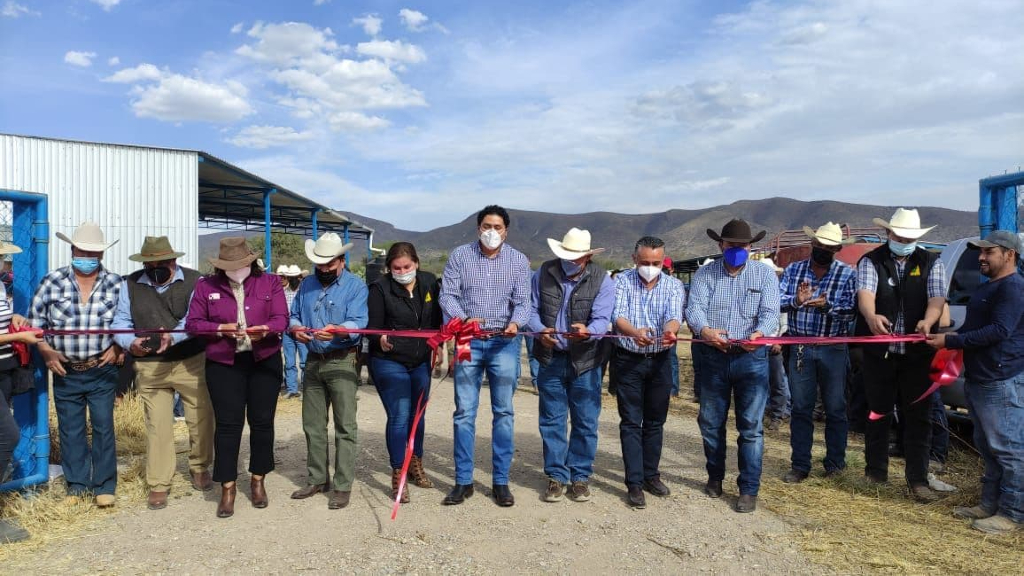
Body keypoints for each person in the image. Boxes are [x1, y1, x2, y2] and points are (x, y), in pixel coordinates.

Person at [927, 230, 1023, 534]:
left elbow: (999, 331)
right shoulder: (989, 288)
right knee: (987, 446)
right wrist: (947, 338)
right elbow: (975, 328)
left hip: (1000, 378)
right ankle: (989, 503)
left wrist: (951, 340)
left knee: (1007, 448)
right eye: (980, 252)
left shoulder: (1013, 288)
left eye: (988, 252)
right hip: (981, 378)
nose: (981, 257)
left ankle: (1012, 513)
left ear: (1009, 255)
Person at [185, 237, 288, 518]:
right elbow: (193, 324)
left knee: (262, 422)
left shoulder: (270, 282)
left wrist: (265, 329)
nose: (236, 269)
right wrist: (219, 328)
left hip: (263, 360)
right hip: (223, 363)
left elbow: (282, 318)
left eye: (241, 264)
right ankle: (227, 486)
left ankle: (258, 479)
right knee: (228, 425)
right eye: (230, 265)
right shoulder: (206, 286)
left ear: (250, 262)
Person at [110, 236, 214, 510]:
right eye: (149, 264)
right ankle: (158, 483)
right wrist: (130, 342)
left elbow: (195, 318)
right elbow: (120, 321)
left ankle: (200, 466)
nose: (154, 269)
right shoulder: (129, 284)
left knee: (199, 417)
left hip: (190, 360)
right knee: (157, 424)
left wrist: (173, 337)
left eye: (160, 264)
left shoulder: (196, 281)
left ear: (173, 261)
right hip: (150, 365)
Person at [439, 205, 531, 507]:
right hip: (469, 340)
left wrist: (516, 323)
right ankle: (463, 481)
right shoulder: (460, 256)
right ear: (478, 227)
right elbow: (448, 294)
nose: (492, 232)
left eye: (498, 227)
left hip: (503, 343)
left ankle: (500, 481)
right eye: (486, 226)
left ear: (506, 230)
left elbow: (523, 301)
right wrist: (463, 319)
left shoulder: (518, 261)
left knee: (503, 412)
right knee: (464, 412)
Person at [685, 219, 779, 513]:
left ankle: (749, 489)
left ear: (751, 247)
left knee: (750, 427)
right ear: (720, 245)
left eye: (742, 246)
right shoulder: (705, 274)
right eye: (731, 245)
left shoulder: (764, 275)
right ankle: (715, 477)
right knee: (711, 423)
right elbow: (694, 309)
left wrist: (761, 333)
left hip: (751, 358)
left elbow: (770, 312)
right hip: (713, 357)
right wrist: (704, 331)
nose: (737, 249)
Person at [28, 221, 123, 508]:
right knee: (71, 429)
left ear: (102, 255)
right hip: (65, 370)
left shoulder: (117, 284)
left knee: (104, 426)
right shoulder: (51, 282)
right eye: (83, 251)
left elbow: (126, 323)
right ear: (72, 250)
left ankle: (105, 485)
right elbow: (35, 323)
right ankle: (77, 485)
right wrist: (46, 351)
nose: (88, 258)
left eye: (94, 253)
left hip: (102, 369)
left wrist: (119, 346)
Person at [855, 208, 947, 503]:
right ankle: (875, 472)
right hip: (880, 354)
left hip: (918, 355)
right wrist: (871, 317)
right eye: (899, 236)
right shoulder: (872, 261)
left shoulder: (932, 262)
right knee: (877, 412)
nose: (904, 241)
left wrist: (929, 321)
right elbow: (866, 295)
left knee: (919, 417)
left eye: (909, 237)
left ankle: (917, 479)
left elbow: (936, 298)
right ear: (888, 234)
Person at [526, 228, 615, 503]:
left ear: (587, 257)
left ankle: (580, 476)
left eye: (575, 257)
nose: (569, 261)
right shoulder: (542, 274)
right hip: (550, 358)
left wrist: (589, 330)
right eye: (566, 256)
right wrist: (541, 329)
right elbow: (529, 309)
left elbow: (604, 317)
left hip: (586, 361)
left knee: (585, 420)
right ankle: (555, 476)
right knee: (551, 419)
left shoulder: (603, 280)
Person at [288, 233, 367, 510]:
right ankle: (317, 478)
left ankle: (343, 485)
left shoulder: (356, 287)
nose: (323, 270)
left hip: (342, 359)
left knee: (345, 426)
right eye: (318, 265)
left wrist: (339, 329)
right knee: (313, 424)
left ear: (341, 261)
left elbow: (358, 322)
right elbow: (294, 314)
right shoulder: (307, 284)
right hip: (312, 360)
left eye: (328, 264)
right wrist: (296, 329)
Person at [778, 223, 857, 483]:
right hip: (800, 346)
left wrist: (828, 307)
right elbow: (777, 301)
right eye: (819, 245)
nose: (823, 250)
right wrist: (797, 301)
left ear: (837, 249)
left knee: (835, 407)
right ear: (812, 244)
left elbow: (851, 312)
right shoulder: (794, 270)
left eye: (829, 247)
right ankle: (800, 464)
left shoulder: (847, 274)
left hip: (832, 346)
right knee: (801, 407)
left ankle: (835, 464)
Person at [611, 236, 685, 509]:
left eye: (656, 263)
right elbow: (617, 315)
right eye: (645, 262)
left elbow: (674, 314)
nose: (650, 267)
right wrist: (633, 332)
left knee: (655, 421)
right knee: (631, 421)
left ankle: (651, 475)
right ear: (634, 259)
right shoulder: (620, 282)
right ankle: (633, 482)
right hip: (628, 358)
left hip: (660, 360)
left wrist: (670, 331)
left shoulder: (674, 285)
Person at [367, 242, 440, 503]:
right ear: (389, 269)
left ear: (416, 264)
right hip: (389, 360)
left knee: (417, 415)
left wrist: (439, 343)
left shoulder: (430, 283)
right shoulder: (379, 289)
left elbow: (437, 321)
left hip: (420, 359)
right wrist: (380, 338)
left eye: (407, 266)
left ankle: (416, 462)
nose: (402, 271)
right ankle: (399, 469)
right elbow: (372, 328)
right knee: (399, 416)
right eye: (396, 268)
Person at [0, 240, 42, 543]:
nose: (3, 261)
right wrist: (22, 336)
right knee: (9, 436)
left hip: (4, 369)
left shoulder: (2, 287)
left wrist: (13, 320)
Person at [760, 257, 791, 431]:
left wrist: (779, 340)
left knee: (777, 381)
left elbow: (784, 321)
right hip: (757, 345)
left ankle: (779, 414)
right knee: (760, 381)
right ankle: (764, 411)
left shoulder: (779, 294)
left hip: (773, 344)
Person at [278, 264, 307, 399]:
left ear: (300, 277)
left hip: (302, 330)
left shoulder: (305, 292)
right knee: (289, 362)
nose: (292, 279)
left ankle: (307, 389)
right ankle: (292, 389)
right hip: (287, 331)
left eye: (294, 277)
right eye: (290, 277)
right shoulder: (283, 292)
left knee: (304, 362)